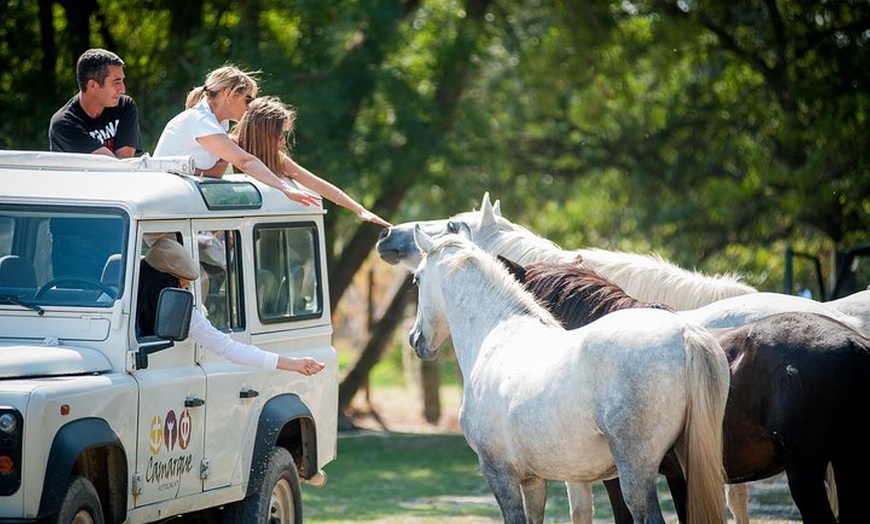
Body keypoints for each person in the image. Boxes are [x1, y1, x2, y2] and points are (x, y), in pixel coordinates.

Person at [137, 236, 325, 376]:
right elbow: (231, 349)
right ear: (163, 282)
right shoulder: (119, 300)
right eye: (182, 284)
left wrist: (293, 363)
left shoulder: (185, 314)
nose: (187, 290)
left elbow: (231, 349)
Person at [153, 65, 319, 207]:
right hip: (162, 208)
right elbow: (246, 162)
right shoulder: (202, 122)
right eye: (248, 100)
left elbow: (214, 174)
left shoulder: (218, 123)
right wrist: (285, 188)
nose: (250, 107)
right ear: (228, 95)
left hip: (175, 206)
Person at [233, 96, 391, 228]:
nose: (283, 142)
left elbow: (316, 183)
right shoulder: (227, 148)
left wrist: (359, 210)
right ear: (264, 134)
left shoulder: (278, 158)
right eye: (280, 135)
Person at [49, 48, 141, 158]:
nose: (122, 89)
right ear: (92, 85)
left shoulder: (125, 106)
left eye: (122, 81)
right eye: (116, 82)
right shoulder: (64, 125)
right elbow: (111, 167)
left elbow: (124, 163)